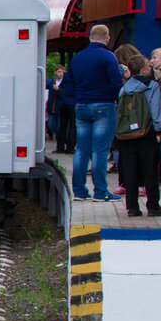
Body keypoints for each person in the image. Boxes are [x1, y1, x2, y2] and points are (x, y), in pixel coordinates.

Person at [68, 24, 123, 201]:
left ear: (90, 37)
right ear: (107, 38)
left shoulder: (78, 57)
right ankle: (100, 192)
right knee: (100, 150)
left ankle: (79, 191)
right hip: (103, 105)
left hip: (82, 106)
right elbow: (116, 83)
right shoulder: (108, 56)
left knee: (81, 150)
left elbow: (70, 82)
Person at [116, 55, 161, 217]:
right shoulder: (151, 86)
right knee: (150, 169)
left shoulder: (124, 88)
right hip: (147, 132)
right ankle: (152, 206)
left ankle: (132, 207)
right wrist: (158, 130)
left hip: (126, 135)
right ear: (143, 69)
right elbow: (156, 110)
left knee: (130, 170)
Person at [46, 65, 65, 141]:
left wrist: (58, 90)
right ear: (55, 72)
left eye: (62, 72)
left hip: (60, 106)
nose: (61, 74)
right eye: (59, 72)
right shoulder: (51, 82)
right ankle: (55, 134)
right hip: (51, 106)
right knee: (51, 124)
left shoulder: (64, 83)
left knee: (59, 124)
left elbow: (66, 94)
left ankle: (58, 136)